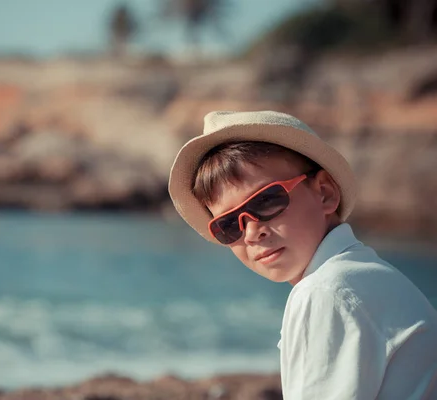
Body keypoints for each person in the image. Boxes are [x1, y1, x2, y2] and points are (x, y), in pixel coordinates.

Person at [167, 110, 437, 399]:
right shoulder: (363, 276)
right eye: (229, 224)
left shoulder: (327, 291)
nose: (251, 233)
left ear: (325, 193)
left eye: (267, 200)